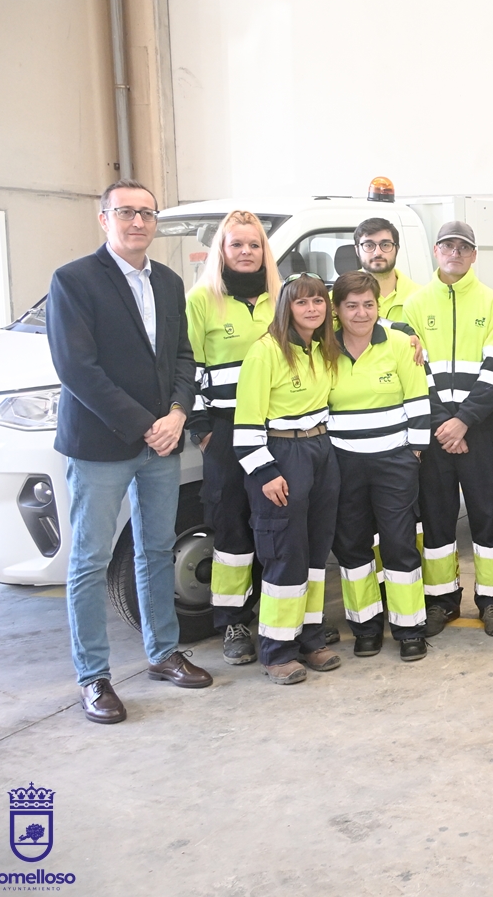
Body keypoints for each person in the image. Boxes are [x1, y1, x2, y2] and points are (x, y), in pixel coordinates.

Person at [49, 179, 212, 723]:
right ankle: (93, 677)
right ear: (104, 219)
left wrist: (179, 413)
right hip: (102, 445)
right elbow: (78, 370)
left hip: (162, 440)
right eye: (126, 212)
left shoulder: (167, 283)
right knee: (92, 561)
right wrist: (148, 425)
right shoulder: (73, 281)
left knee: (156, 550)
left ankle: (163, 653)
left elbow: (184, 358)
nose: (138, 221)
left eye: (147, 212)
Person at [402, 221, 493, 636]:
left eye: (463, 247)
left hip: (478, 429)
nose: (455, 253)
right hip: (434, 429)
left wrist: (462, 422)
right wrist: (441, 424)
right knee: (436, 516)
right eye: (448, 246)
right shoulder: (414, 305)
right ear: (436, 251)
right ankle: (442, 600)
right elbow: (414, 373)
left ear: (473, 254)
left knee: (487, 513)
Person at [232, 273, 342, 683]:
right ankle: (277, 651)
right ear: (286, 307)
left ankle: (310, 639)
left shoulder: (320, 347)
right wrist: (264, 471)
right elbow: (246, 422)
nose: (312, 308)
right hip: (282, 452)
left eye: (318, 301)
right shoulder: (266, 352)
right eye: (302, 302)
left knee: (315, 553)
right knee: (285, 553)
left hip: (320, 450)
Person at [186, 210, 282, 666]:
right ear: (221, 251)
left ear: (265, 251)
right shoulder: (202, 301)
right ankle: (234, 622)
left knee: (274, 523)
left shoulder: (280, 299)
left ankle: (275, 615)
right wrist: (202, 430)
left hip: (275, 428)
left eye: (254, 244)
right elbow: (189, 368)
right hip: (224, 430)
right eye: (236, 244)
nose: (246, 252)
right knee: (229, 524)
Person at [328, 271, 432, 661]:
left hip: (394, 462)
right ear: (337, 310)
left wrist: (414, 453)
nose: (361, 313)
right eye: (351, 305)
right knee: (352, 546)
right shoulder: (323, 349)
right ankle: (366, 628)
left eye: (368, 304)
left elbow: (418, 400)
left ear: (378, 306)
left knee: (399, 543)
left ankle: (409, 628)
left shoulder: (401, 343)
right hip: (343, 463)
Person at [353, 216, 420, 323]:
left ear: (397, 249)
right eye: (369, 245)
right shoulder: (337, 297)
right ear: (357, 250)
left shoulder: (420, 297)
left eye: (385, 245)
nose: (378, 252)